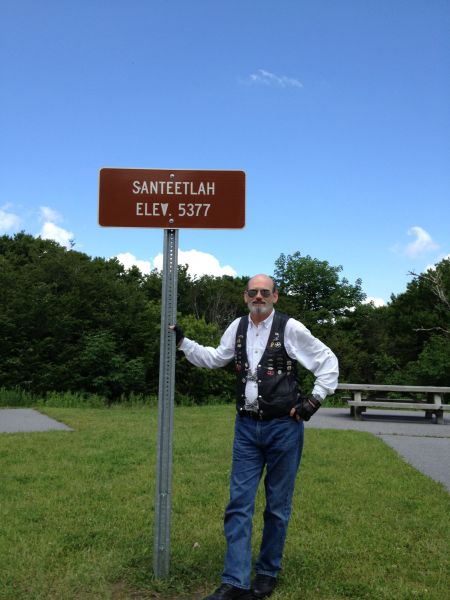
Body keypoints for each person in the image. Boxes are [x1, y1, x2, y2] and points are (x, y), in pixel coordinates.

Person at [171, 274, 339, 600]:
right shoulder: (237, 327)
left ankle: (266, 573)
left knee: (277, 506)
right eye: (253, 292)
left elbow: (327, 361)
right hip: (246, 427)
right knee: (238, 504)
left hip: (283, 428)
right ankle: (234, 581)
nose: (258, 297)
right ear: (245, 296)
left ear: (275, 296)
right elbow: (216, 357)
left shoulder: (291, 328)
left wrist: (313, 401)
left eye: (265, 292)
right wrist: (183, 343)